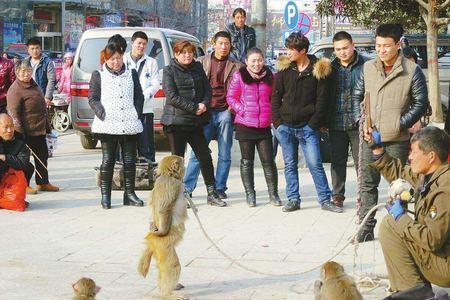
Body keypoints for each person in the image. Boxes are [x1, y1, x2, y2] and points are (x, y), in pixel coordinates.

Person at [352, 24, 429, 242]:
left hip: (397, 139)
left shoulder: (411, 70)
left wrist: (400, 124)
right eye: (378, 45)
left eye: (387, 45)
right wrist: (363, 122)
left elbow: (420, 102)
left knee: (398, 186)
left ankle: (399, 229)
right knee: (367, 184)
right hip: (370, 138)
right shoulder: (368, 68)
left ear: (398, 44)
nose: (382, 50)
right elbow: (357, 96)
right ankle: (365, 228)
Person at [366, 126, 450, 299]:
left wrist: (401, 218)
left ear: (431, 156)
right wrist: (377, 149)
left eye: (413, 152)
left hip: (446, 265)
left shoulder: (444, 189)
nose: (409, 157)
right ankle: (415, 289)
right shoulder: (429, 175)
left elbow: (431, 240)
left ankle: (414, 292)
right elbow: (400, 172)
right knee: (395, 225)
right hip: (442, 253)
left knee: (391, 226)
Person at [271, 31, 342, 213]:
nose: (288, 53)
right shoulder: (285, 70)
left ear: (303, 51)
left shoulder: (318, 71)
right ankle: (293, 199)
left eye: (291, 49)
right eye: (287, 49)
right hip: (285, 126)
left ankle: (325, 200)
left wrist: (312, 125)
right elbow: (275, 97)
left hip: (308, 128)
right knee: (289, 165)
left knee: (315, 164)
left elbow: (322, 102)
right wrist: (278, 122)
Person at [161, 39, 226, 207]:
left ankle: (211, 193)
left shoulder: (197, 67)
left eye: (190, 52)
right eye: (183, 53)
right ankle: (177, 196)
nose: (187, 55)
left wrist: (204, 104)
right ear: (176, 54)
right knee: (177, 160)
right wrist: (194, 107)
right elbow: (172, 97)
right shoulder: (169, 71)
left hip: (196, 121)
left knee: (204, 155)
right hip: (176, 121)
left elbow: (207, 89)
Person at [88, 34, 144, 209]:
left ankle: (130, 194)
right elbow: (93, 98)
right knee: (108, 160)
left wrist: (136, 112)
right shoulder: (98, 75)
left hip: (129, 122)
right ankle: (106, 195)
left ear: (122, 57)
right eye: (112, 59)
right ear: (106, 59)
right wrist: (102, 114)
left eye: (118, 58)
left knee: (129, 160)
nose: (115, 62)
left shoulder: (131, 74)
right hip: (108, 124)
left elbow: (139, 96)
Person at [183, 31, 240, 200]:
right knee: (197, 152)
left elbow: (240, 91)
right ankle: (187, 188)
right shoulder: (201, 62)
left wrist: (232, 109)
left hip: (225, 112)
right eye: (220, 43)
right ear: (214, 43)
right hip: (205, 112)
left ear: (230, 45)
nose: (223, 47)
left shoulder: (237, 66)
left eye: (227, 44)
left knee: (225, 153)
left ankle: (219, 187)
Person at [226, 47, 282, 207]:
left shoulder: (271, 77)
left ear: (263, 60)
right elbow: (231, 97)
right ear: (247, 62)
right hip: (245, 124)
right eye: (253, 61)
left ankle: (274, 194)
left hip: (264, 125)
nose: (257, 64)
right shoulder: (239, 76)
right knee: (247, 161)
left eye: (259, 60)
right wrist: (242, 110)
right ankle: (250, 194)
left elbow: (275, 97)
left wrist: (272, 113)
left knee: (268, 161)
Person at [328, 31, 369, 208]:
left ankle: (364, 195)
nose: (342, 52)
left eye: (345, 48)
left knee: (362, 161)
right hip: (336, 121)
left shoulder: (366, 65)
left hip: (358, 121)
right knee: (338, 161)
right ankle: (338, 195)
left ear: (353, 45)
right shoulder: (329, 67)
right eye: (338, 49)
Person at [6, 60, 59, 193]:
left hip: (39, 129)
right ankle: (24, 184)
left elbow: (42, 107)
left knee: (42, 157)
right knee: (25, 161)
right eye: (23, 71)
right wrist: (19, 133)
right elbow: (13, 114)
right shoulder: (15, 90)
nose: (26, 74)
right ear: (17, 73)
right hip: (24, 131)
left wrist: (47, 127)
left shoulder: (34, 85)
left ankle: (43, 183)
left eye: (29, 70)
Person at [123, 31, 159, 166]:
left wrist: (143, 96)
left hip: (145, 108)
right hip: (126, 109)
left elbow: (156, 83)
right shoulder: (123, 60)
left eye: (144, 44)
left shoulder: (152, 62)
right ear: (132, 43)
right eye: (139, 43)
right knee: (127, 144)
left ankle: (148, 173)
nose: (141, 46)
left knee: (146, 144)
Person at [0, 114, 34, 195]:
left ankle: (21, 189)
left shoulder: (20, 139)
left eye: (11, 126)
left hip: (10, 169)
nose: (9, 130)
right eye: (6, 127)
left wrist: (5, 157)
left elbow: (23, 163)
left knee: (29, 167)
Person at [25, 38, 56, 107]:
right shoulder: (25, 62)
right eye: (32, 49)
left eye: (37, 48)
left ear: (40, 48)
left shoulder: (47, 62)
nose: (35, 51)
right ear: (28, 50)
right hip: (28, 96)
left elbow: (51, 80)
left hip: (42, 96)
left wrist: (47, 97)